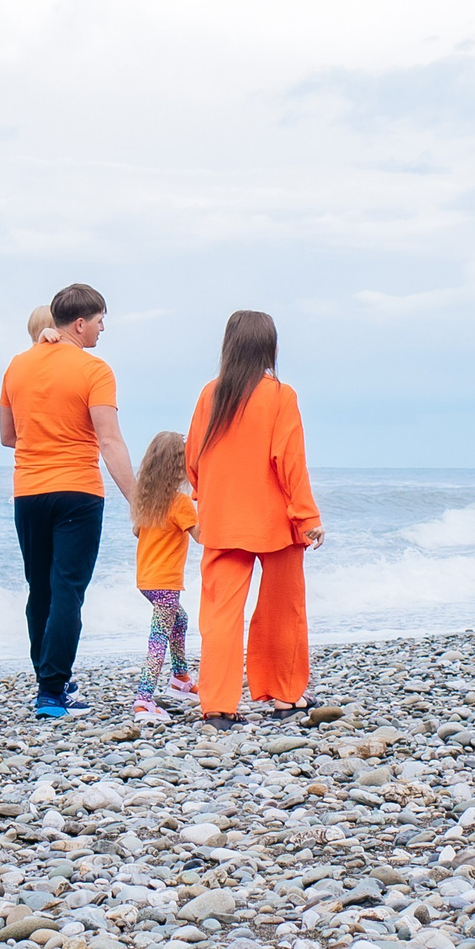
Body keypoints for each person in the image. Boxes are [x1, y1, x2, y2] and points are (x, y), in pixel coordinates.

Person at [0, 282, 136, 720]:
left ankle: (49, 682)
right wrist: (137, 500)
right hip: (77, 490)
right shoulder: (95, 370)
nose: (101, 329)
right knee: (67, 592)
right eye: (99, 321)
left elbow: (7, 436)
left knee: (40, 589)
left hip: (28, 492)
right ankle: (53, 692)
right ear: (80, 323)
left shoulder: (17, 366)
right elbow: (109, 441)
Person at [185, 310, 324, 727]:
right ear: (271, 348)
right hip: (275, 520)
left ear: (229, 346)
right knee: (283, 610)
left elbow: (193, 458)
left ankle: (218, 707)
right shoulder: (280, 395)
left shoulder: (210, 394)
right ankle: (284, 697)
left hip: (222, 519)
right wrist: (307, 516)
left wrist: (205, 496)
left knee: (220, 615)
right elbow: (289, 460)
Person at [129, 431, 202, 722]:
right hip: (166, 584)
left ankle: (180, 679)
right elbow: (202, 536)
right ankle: (143, 701)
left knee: (179, 620)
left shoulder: (147, 501)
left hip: (147, 581)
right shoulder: (180, 503)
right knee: (158, 638)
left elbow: (138, 532)